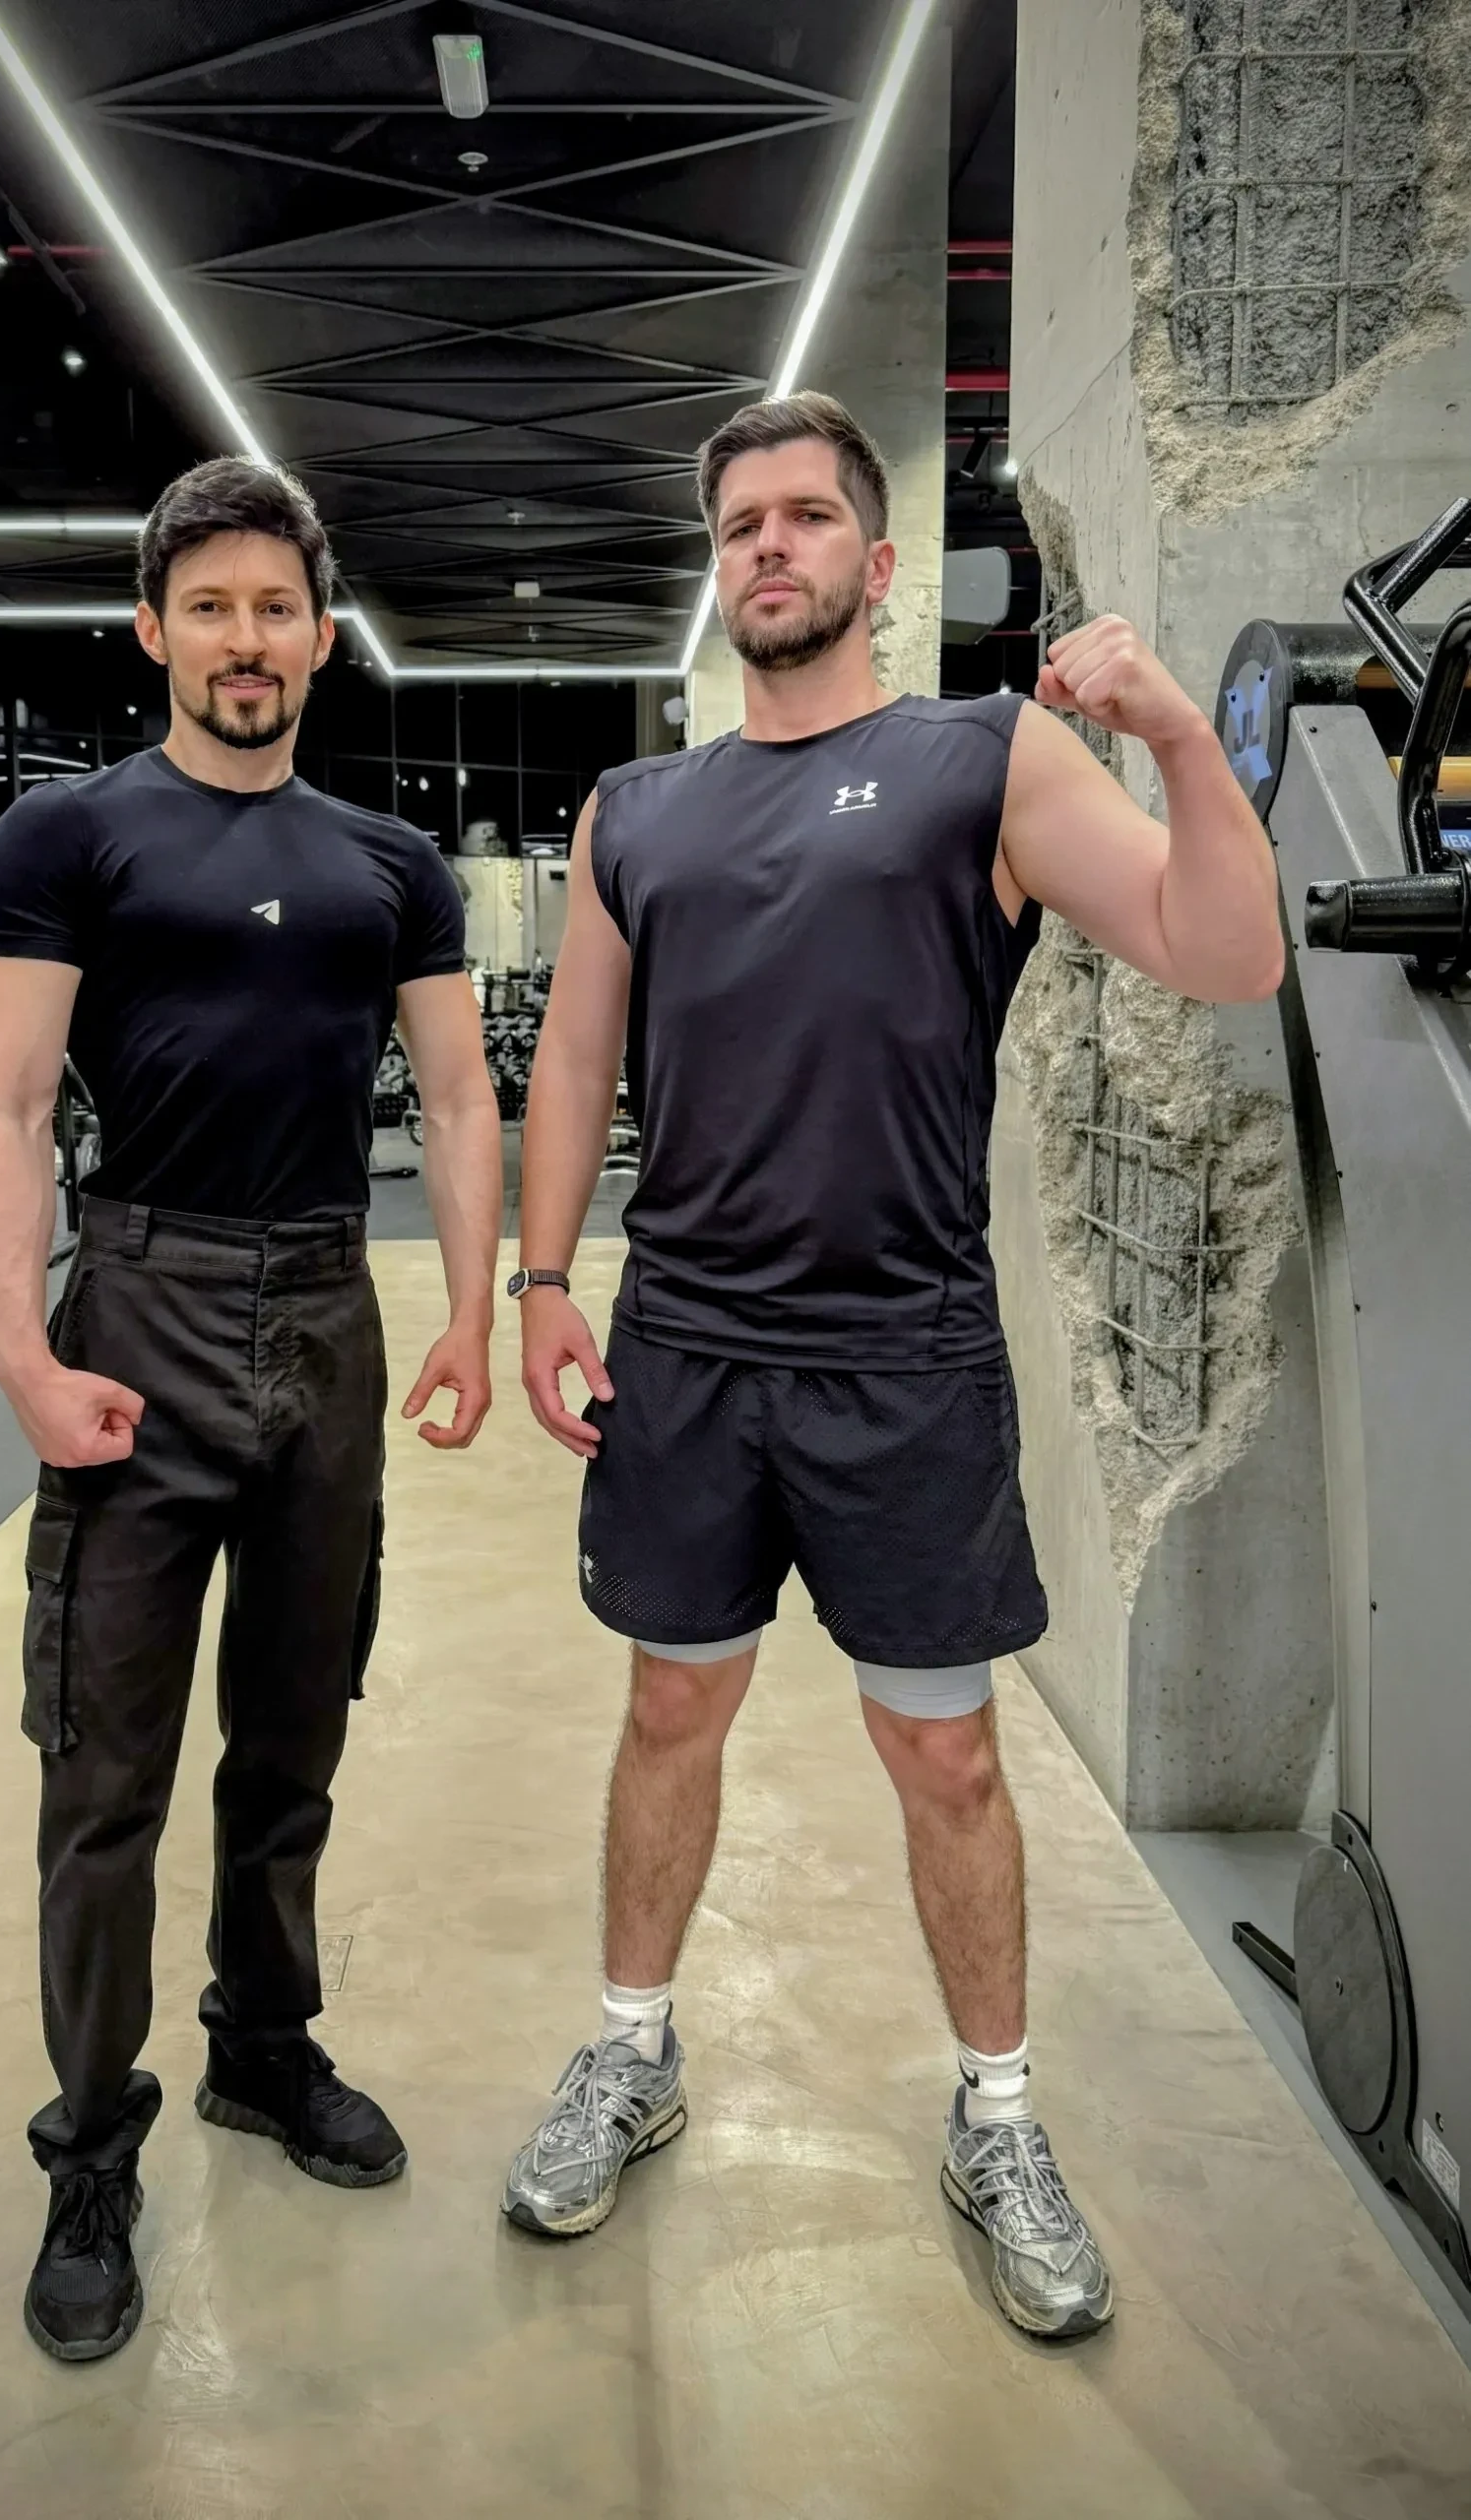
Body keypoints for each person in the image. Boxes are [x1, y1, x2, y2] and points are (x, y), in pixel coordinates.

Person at [499, 390, 1282, 2340]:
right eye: (738, 523)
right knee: (668, 1713)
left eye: (804, 515)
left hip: (901, 1352)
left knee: (944, 1749)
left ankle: (997, 2116)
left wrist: (1181, 737)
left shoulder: (980, 759)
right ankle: (630, 2050)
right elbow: (576, 1058)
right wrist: (541, 1277)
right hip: (686, 1349)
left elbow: (1224, 951)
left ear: (877, 557)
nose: (768, 544)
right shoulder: (635, 812)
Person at [0, 457, 502, 2363]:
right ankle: (90, 2145)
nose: (245, 639)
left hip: (329, 1314)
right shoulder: (64, 838)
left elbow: (457, 1093)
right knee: (102, 1769)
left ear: (320, 636)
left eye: (276, 607)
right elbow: (9, 1102)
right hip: (144, 1303)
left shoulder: (391, 863)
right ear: (154, 631)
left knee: (292, 1732)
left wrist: (475, 1310)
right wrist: (22, 1352)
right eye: (211, 608)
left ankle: (262, 2047)